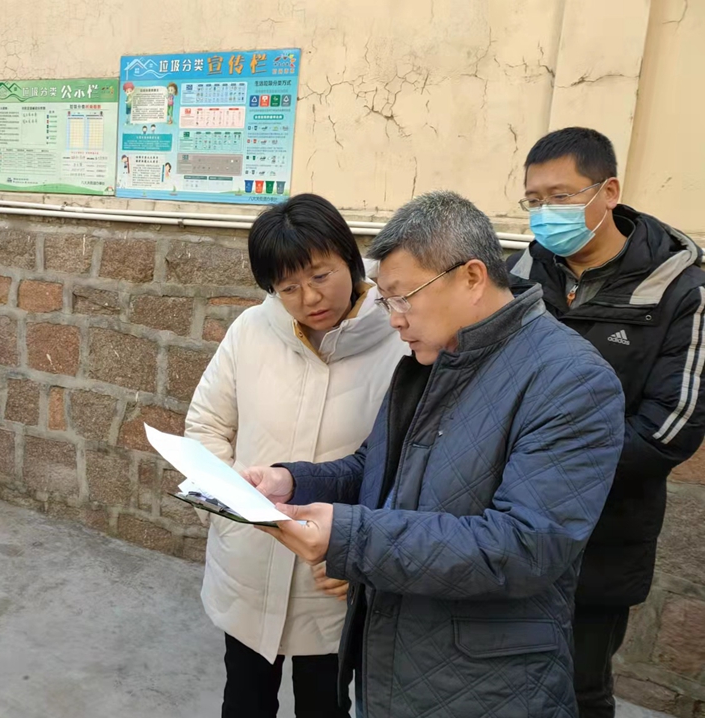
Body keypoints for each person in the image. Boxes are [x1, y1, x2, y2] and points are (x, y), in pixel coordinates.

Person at [243, 191, 626, 717]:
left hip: (489, 686)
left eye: (403, 298)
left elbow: (524, 547)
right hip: (395, 664)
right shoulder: (431, 360)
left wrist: (349, 536)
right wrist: (292, 481)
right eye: (386, 301)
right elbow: (374, 470)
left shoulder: (571, 379)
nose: (394, 320)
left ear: (472, 277)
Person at [507, 127, 705, 718]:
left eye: (561, 196)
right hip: (509, 522)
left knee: (578, 685)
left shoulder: (680, 290)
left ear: (609, 191)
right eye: (534, 200)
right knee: (503, 679)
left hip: (604, 534)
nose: (546, 213)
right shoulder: (519, 272)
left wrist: (550, 467)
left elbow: (671, 427)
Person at [185, 194, 407, 718]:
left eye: (321, 275)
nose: (309, 297)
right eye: (287, 287)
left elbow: (405, 468)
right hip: (249, 562)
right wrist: (233, 509)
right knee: (244, 700)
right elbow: (206, 426)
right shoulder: (250, 331)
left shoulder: (400, 342)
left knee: (324, 704)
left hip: (333, 576)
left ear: (350, 259)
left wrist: (365, 552)